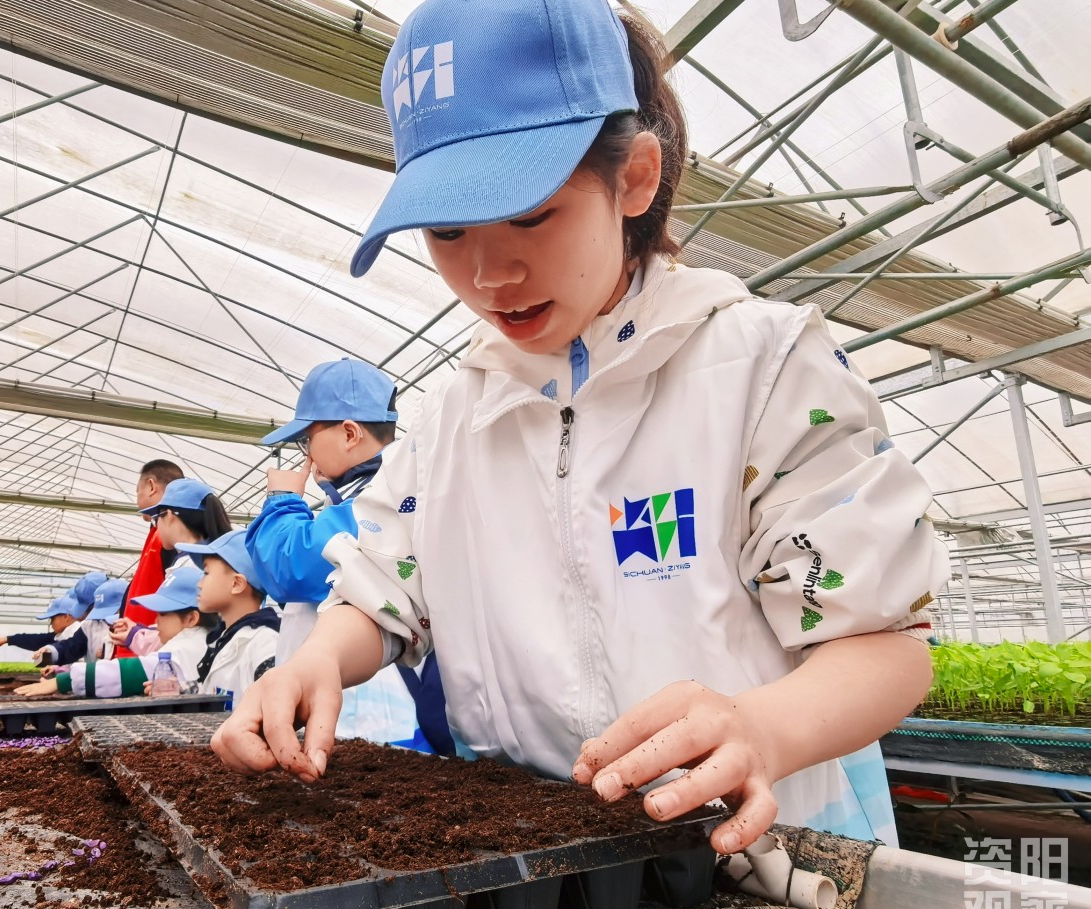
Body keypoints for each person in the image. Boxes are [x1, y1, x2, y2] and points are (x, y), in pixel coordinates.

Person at [213, 0, 949, 863]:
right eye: (447, 230)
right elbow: (382, 598)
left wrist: (760, 727)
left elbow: (886, 645)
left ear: (634, 178)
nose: (490, 272)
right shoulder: (451, 424)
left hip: (764, 864)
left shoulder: (760, 369)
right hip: (537, 876)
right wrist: (316, 663)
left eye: (531, 213)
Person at [249, 358, 447, 751]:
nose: (306, 454)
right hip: (360, 714)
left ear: (350, 434)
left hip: (373, 724)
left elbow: (289, 568)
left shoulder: (376, 505)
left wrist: (282, 500)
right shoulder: (359, 501)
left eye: (307, 439)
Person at [16, 565, 215, 698]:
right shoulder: (199, 639)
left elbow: (133, 670)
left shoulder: (188, 645)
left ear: (191, 619)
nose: (156, 621)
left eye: (162, 614)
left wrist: (64, 681)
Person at [109, 477, 232, 656]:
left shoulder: (195, 566)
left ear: (170, 515)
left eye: (156, 518)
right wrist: (138, 631)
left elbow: (187, 634)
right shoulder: (197, 560)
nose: (156, 526)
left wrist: (136, 636)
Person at [177, 529, 280, 700]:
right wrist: (181, 690)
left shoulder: (265, 644)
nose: (199, 584)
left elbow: (274, 704)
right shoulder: (224, 637)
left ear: (236, 584)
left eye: (206, 573)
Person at [125, 459, 185, 628]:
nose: (137, 500)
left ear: (151, 486)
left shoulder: (171, 538)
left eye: (138, 491)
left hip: (153, 637)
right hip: (140, 636)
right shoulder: (155, 532)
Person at [34, 578, 130, 669]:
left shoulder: (131, 629)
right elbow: (71, 647)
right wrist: (51, 650)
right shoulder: (89, 626)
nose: (105, 619)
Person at [0, 593, 83, 653]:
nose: (51, 623)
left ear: (66, 617)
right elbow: (38, 640)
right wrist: (7, 639)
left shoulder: (76, 635)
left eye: (52, 618)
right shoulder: (63, 634)